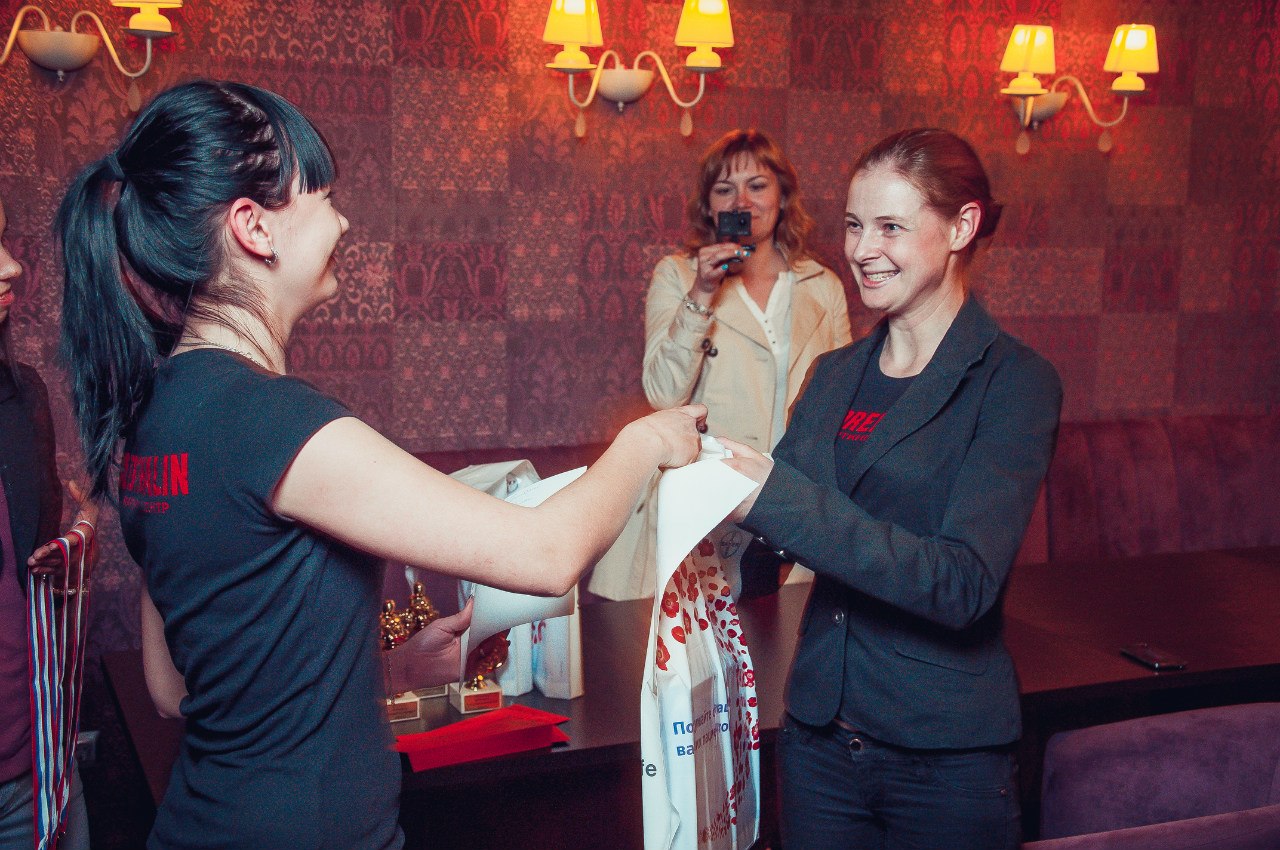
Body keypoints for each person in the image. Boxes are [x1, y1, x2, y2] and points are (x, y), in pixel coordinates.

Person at [55, 80, 703, 850]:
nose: (342, 221)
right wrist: (646, 442)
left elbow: (176, 687)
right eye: (324, 196)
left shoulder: (153, 415)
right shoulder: (274, 422)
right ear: (254, 227)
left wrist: (389, 672)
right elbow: (546, 553)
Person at [721, 128, 1063, 849]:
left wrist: (772, 499)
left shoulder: (1015, 383)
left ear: (961, 227)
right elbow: (770, 545)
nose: (861, 249)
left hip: (944, 760)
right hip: (817, 745)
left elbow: (962, 583)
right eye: (853, 225)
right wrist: (702, 494)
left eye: (890, 227)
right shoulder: (835, 374)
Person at [589, 129, 851, 601]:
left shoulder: (822, 285)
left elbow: (841, 402)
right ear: (709, 207)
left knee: (783, 640)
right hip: (702, 499)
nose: (742, 201)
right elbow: (663, 393)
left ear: (782, 196)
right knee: (697, 644)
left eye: (758, 185)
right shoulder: (677, 275)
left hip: (792, 500)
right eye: (725, 189)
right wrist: (703, 293)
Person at [1, 195, 95, 850]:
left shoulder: (21, 394)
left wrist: (74, 547)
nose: (12, 266)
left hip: (38, 759)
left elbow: (31, 580)